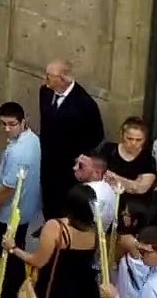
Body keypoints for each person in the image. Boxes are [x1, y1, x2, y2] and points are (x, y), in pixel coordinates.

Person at [0, 101, 42, 298]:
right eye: (3, 123)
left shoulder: (18, 152)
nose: (7, 129)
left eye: (12, 124)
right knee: (17, 249)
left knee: (10, 254)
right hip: (25, 210)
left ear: (23, 121)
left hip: (8, 215)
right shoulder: (33, 139)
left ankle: (9, 291)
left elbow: (7, 189)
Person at [2, 183, 101, 298]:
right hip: (83, 290)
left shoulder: (55, 228)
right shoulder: (96, 231)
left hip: (55, 288)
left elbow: (38, 261)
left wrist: (13, 248)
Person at [39, 60, 104, 220]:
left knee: (63, 201)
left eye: (49, 76)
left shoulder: (85, 105)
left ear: (62, 79)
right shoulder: (45, 92)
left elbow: (96, 135)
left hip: (68, 165)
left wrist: (75, 154)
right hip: (47, 158)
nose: (45, 79)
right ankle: (48, 225)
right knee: (47, 196)